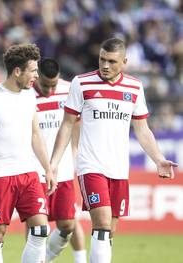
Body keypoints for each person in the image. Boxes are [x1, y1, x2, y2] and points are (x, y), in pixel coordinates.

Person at [49, 37, 178, 263]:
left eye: (111, 61)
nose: (105, 65)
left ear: (124, 61)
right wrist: (54, 164)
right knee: (102, 225)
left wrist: (158, 159)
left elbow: (142, 129)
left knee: (109, 232)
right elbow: (67, 125)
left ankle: (43, 257)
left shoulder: (134, 87)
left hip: (118, 169)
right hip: (91, 166)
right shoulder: (82, 83)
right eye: (101, 59)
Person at [0, 43, 56, 263]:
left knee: (41, 230)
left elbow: (36, 134)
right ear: (17, 71)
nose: (36, 76)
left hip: (28, 173)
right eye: (33, 71)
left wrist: (48, 169)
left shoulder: (29, 97)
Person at [31, 58, 87, 263]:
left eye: (53, 85)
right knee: (38, 228)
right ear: (36, 76)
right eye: (45, 85)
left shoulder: (69, 89)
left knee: (68, 225)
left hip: (62, 170)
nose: (49, 90)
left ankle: (53, 259)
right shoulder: (25, 94)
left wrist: (75, 151)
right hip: (34, 171)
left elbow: (75, 123)